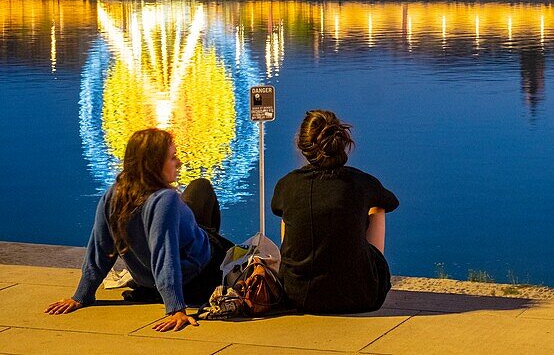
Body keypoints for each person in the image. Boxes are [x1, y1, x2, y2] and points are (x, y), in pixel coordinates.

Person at [45, 128, 233, 332]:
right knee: (202, 187)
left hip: (148, 280)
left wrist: (82, 295)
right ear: (153, 165)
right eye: (172, 158)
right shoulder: (165, 199)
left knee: (197, 198)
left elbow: (99, 250)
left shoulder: (114, 194)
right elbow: (164, 255)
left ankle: (189, 246)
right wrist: (175, 308)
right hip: (201, 274)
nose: (179, 163)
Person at [272, 110, 399, 314]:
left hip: (297, 296)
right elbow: (390, 202)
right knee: (377, 207)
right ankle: (370, 270)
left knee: (287, 211)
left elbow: (277, 207)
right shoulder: (361, 183)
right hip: (361, 296)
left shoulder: (287, 185)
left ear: (302, 144)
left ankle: (297, 266)